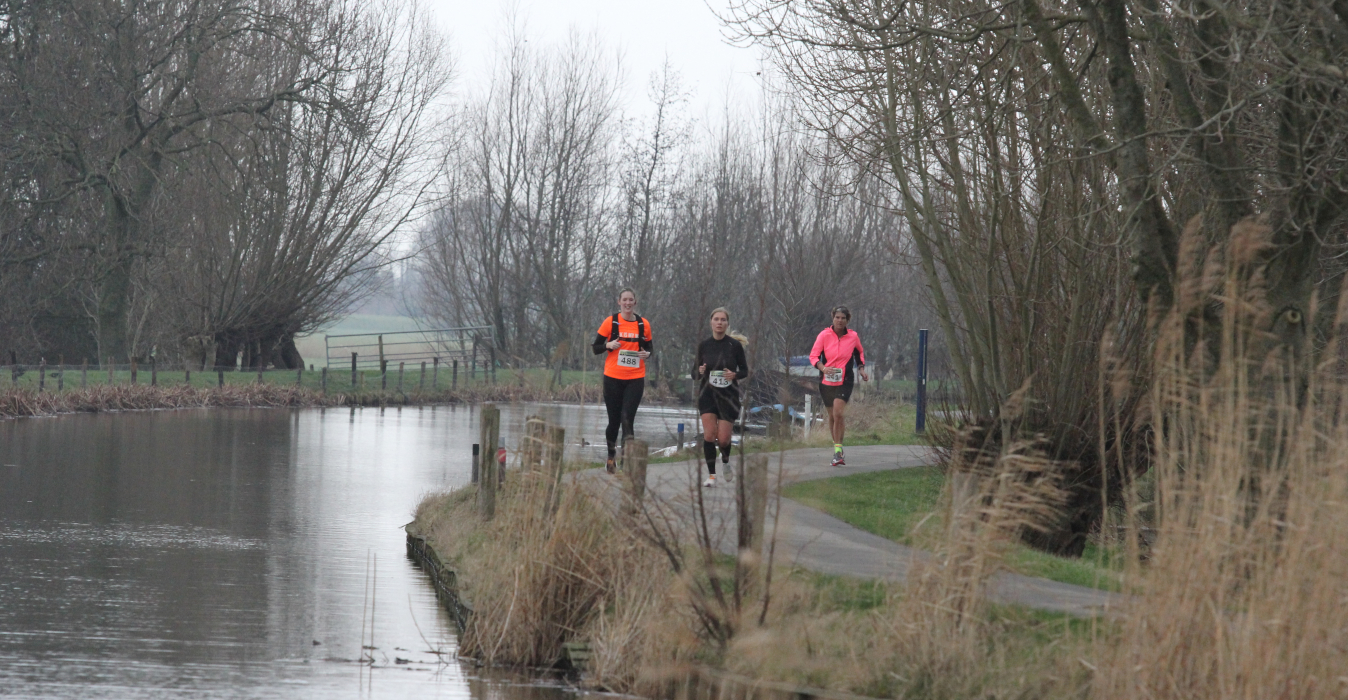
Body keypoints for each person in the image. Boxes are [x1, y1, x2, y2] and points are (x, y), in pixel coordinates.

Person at [592, 288, 653, 473]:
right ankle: (611, 457)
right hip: (613, 378)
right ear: (619, 302)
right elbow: (595, 348)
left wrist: (647, 354)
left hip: (635, 378)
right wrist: (608, 345)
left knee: (628, 419)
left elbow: (650, 348)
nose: (627, 303)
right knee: (614, 421)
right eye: (624, 300)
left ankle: (627, 461)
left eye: (631, 300)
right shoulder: (611, 322)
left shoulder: (643, 324)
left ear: (635, 302)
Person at [692, 308, 749, 488]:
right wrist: (699, 372)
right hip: (708, 395)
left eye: (723, 320)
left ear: (727, 323)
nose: (719, 322)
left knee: (723, 439)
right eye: (716, 319)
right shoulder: (704, 345)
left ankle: (725, 461)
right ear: (711, 323)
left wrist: (734, 375)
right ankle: (711, 475)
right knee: (709, 435)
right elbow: (694, 373)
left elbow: (745, 371)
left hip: (728, 396)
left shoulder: (734, 346)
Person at [809, 305, 868, 467]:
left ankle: (838, 452)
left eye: (843, 318)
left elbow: (859, 354)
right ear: (832, 318)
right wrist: (822, 368)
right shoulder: (824, 335)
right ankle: (836, 447)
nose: (840, 320)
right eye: (837, 317)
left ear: (847, 320)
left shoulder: (853, 337)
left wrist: (862, 369)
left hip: (845, 379)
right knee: (832, 416)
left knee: (839, 413)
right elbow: (813, 356)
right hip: (826, 380)